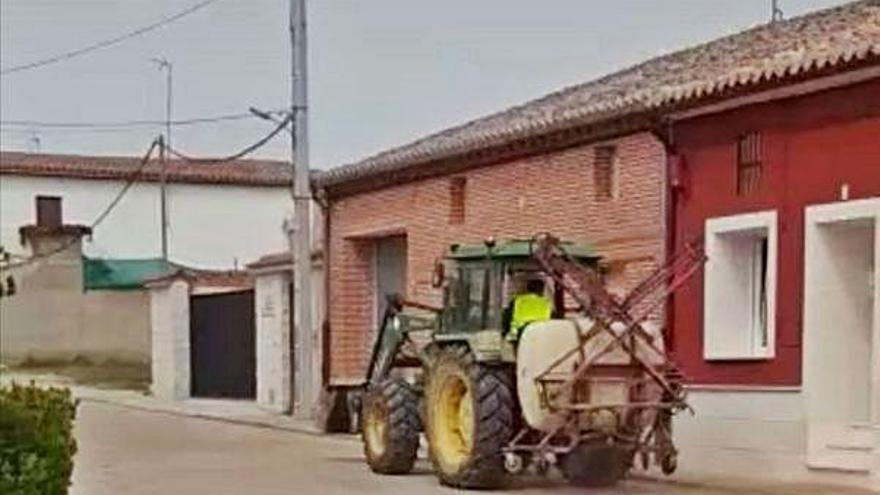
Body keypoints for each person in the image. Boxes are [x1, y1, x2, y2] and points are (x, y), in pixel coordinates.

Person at [505, 277, 552, 342]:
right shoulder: (546, 302)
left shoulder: (518, 300)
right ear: (542, 290)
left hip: (522, 332)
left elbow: (508, 317)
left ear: (528, 289)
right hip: (541, 332)